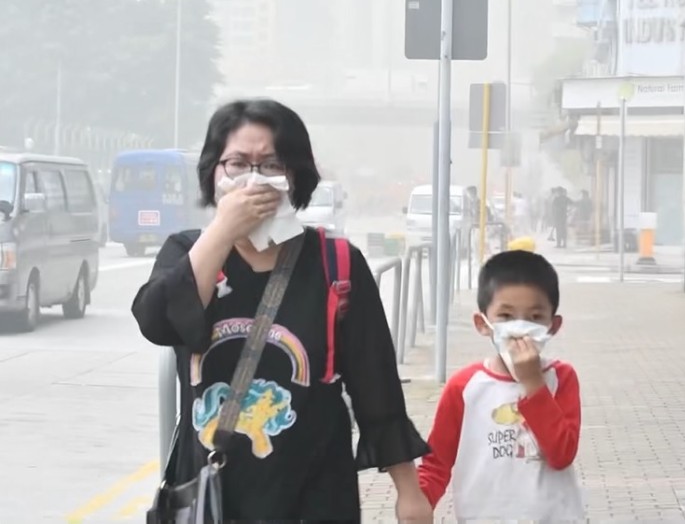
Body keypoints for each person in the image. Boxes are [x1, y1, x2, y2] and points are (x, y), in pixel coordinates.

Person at [132, 99, 433, 522]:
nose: (253, 178)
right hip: (212, 495)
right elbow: (157, 322)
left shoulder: (335, 263)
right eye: (236, 163)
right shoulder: (190, 254)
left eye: (271, 165)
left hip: (313, 494)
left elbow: (376, 384)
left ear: (296, 176)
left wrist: (408, 490)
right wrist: (221, 231)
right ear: (212, 173)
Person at [417, 250, 585, 521]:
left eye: (534, 317)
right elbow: (436, 463)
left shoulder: (561, 378)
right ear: (482, 324)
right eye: (506, 316)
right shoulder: (465, 387)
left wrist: (532, 383)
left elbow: (561, 454)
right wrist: (419, 500)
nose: (520, 327)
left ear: (553, 326)